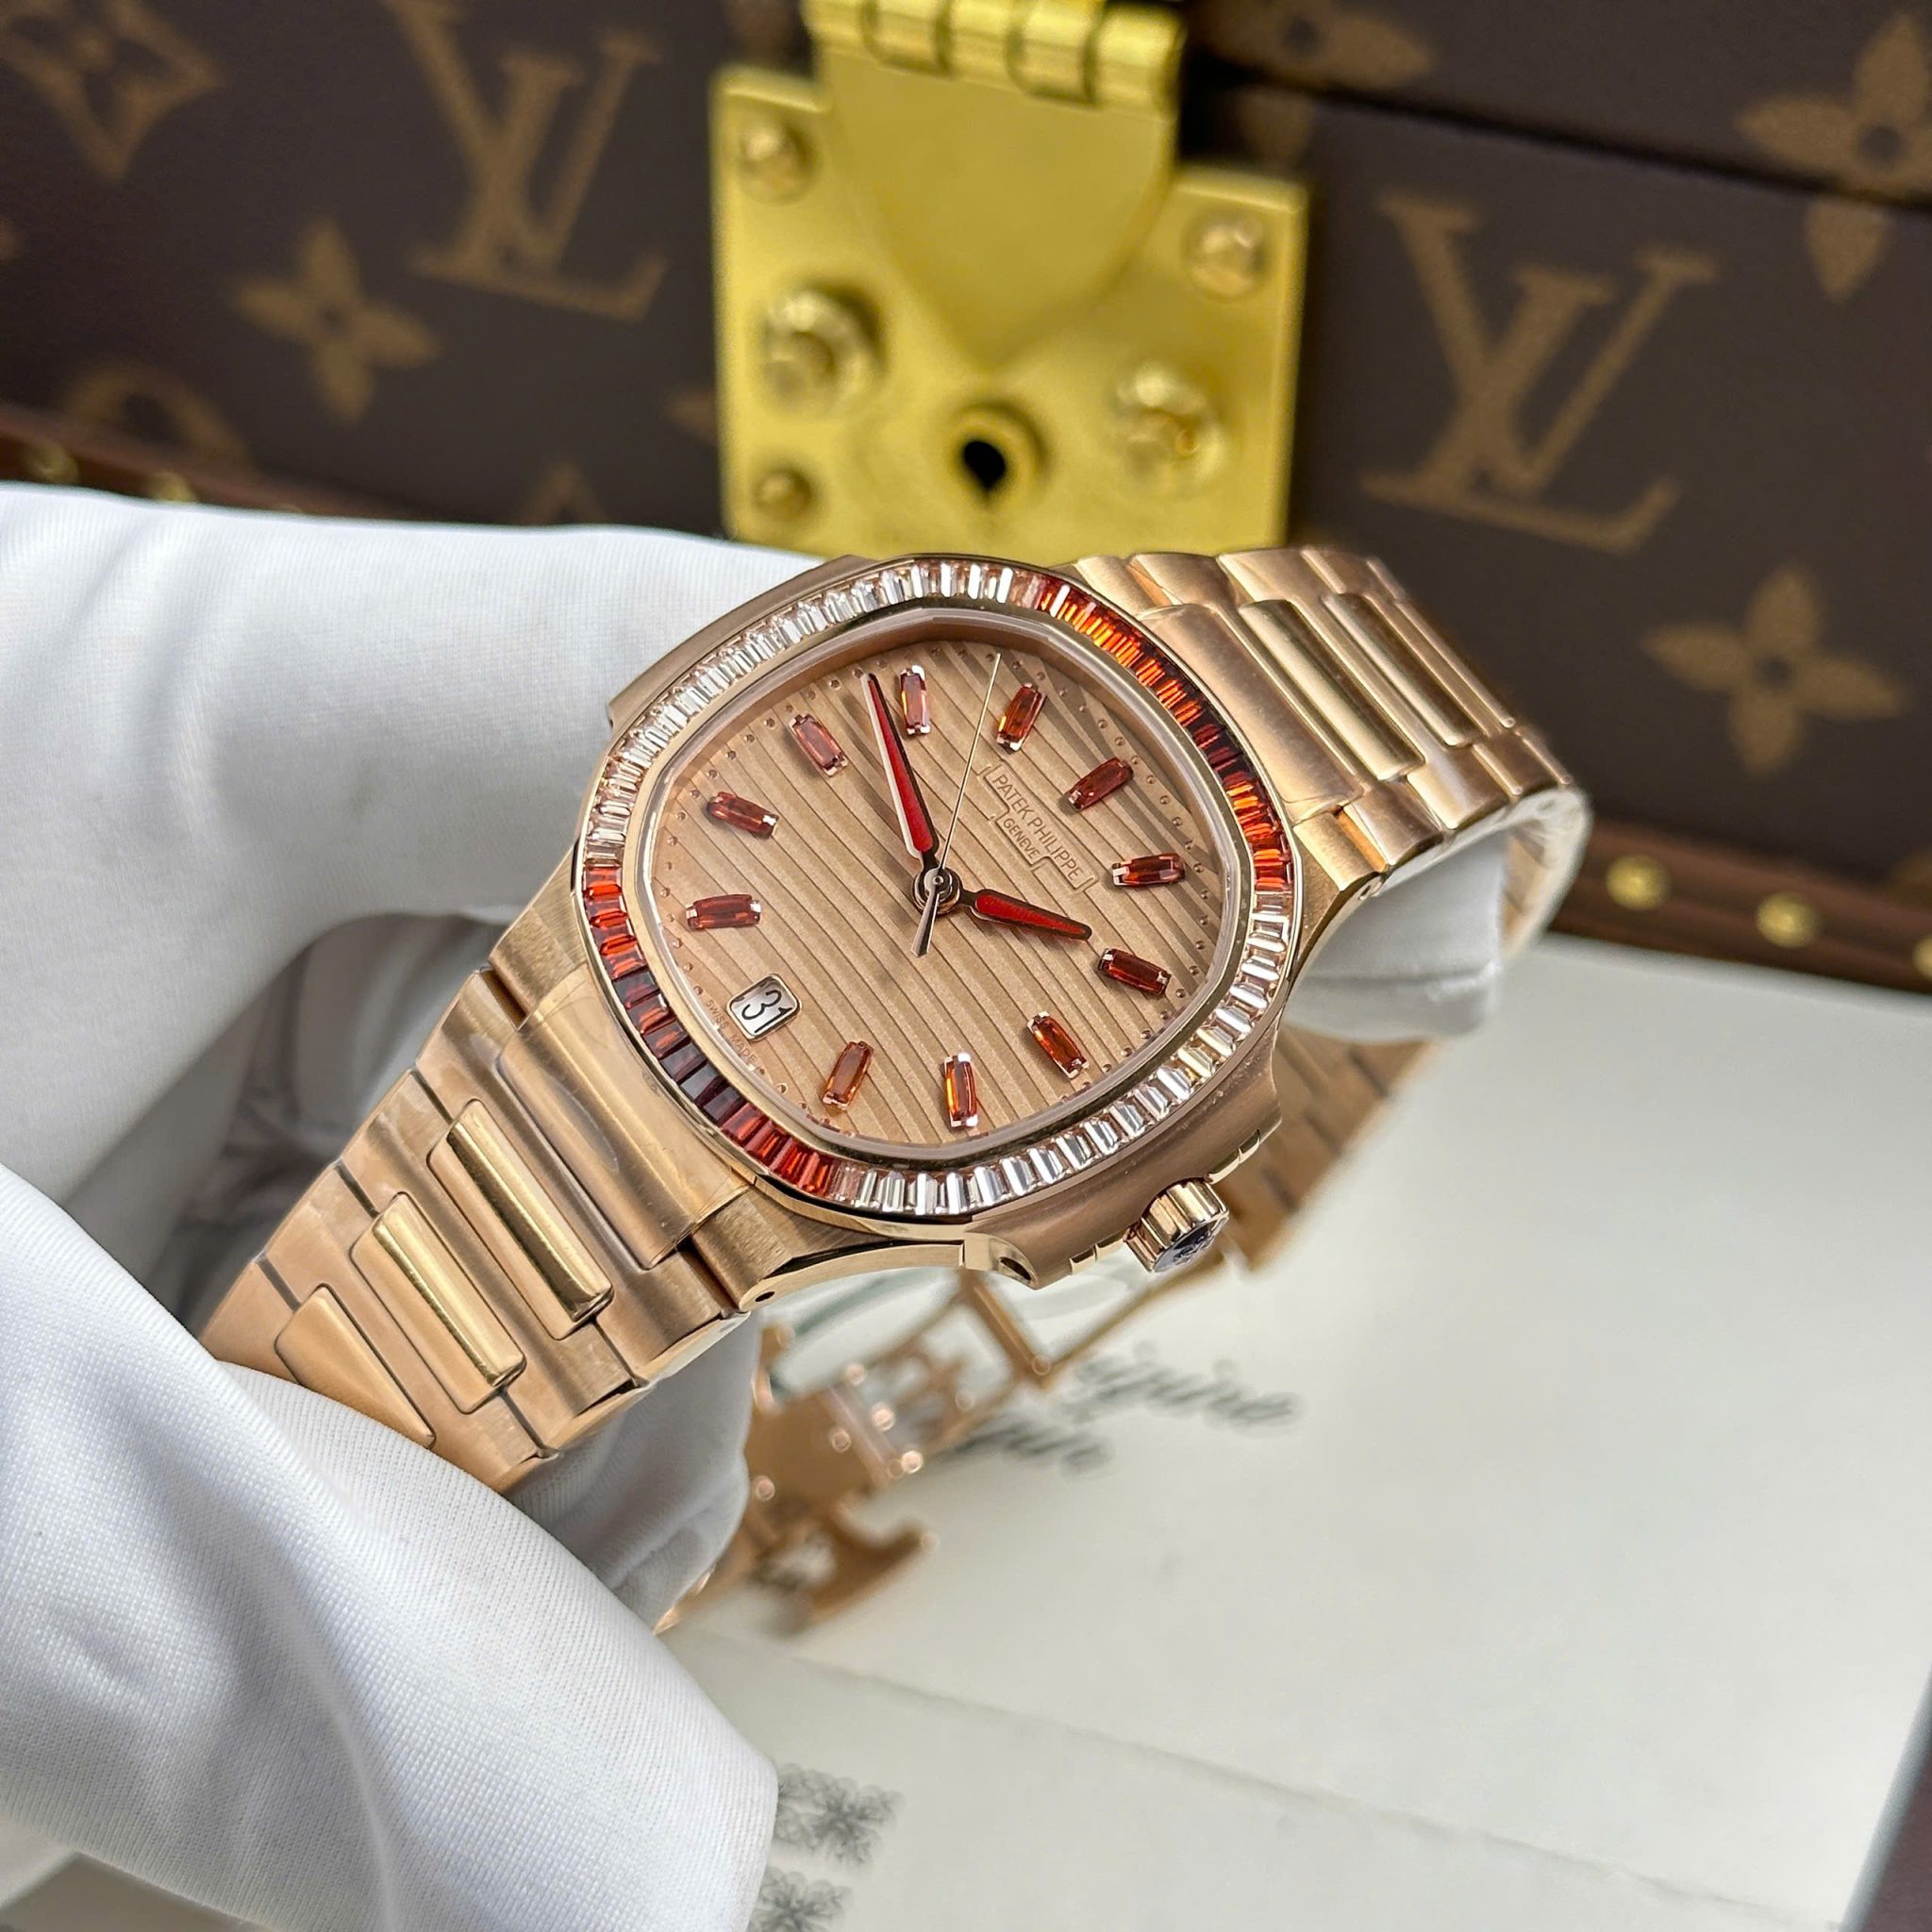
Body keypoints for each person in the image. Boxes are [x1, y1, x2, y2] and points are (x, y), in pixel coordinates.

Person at [0, 485, 1513, 1930]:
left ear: (1131, 1196)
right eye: (939, 876)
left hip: (786, 1136)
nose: (940, 893)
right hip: (618, 977)